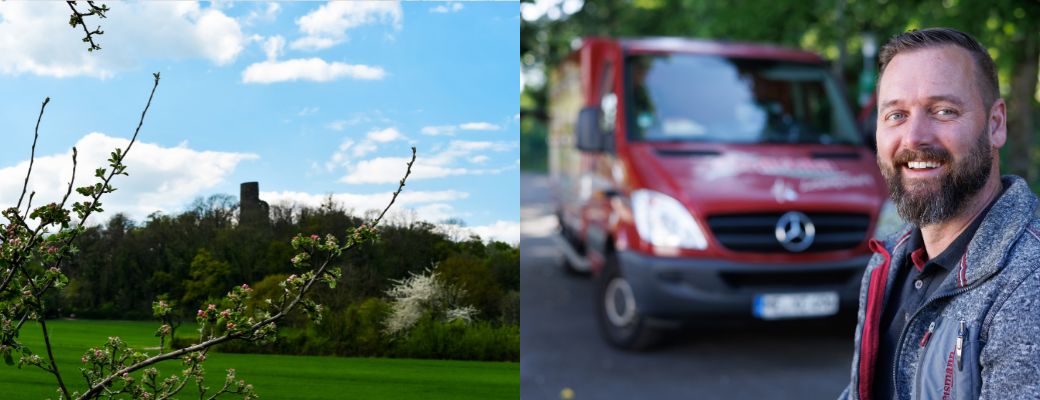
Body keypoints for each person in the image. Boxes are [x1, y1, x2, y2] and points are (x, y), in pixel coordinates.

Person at [839, 27, 1040, 400]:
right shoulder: (887, 262)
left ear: (995, 125)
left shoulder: (1029, 283)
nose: (915, 137)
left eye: (943, 111)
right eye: (896, 115)